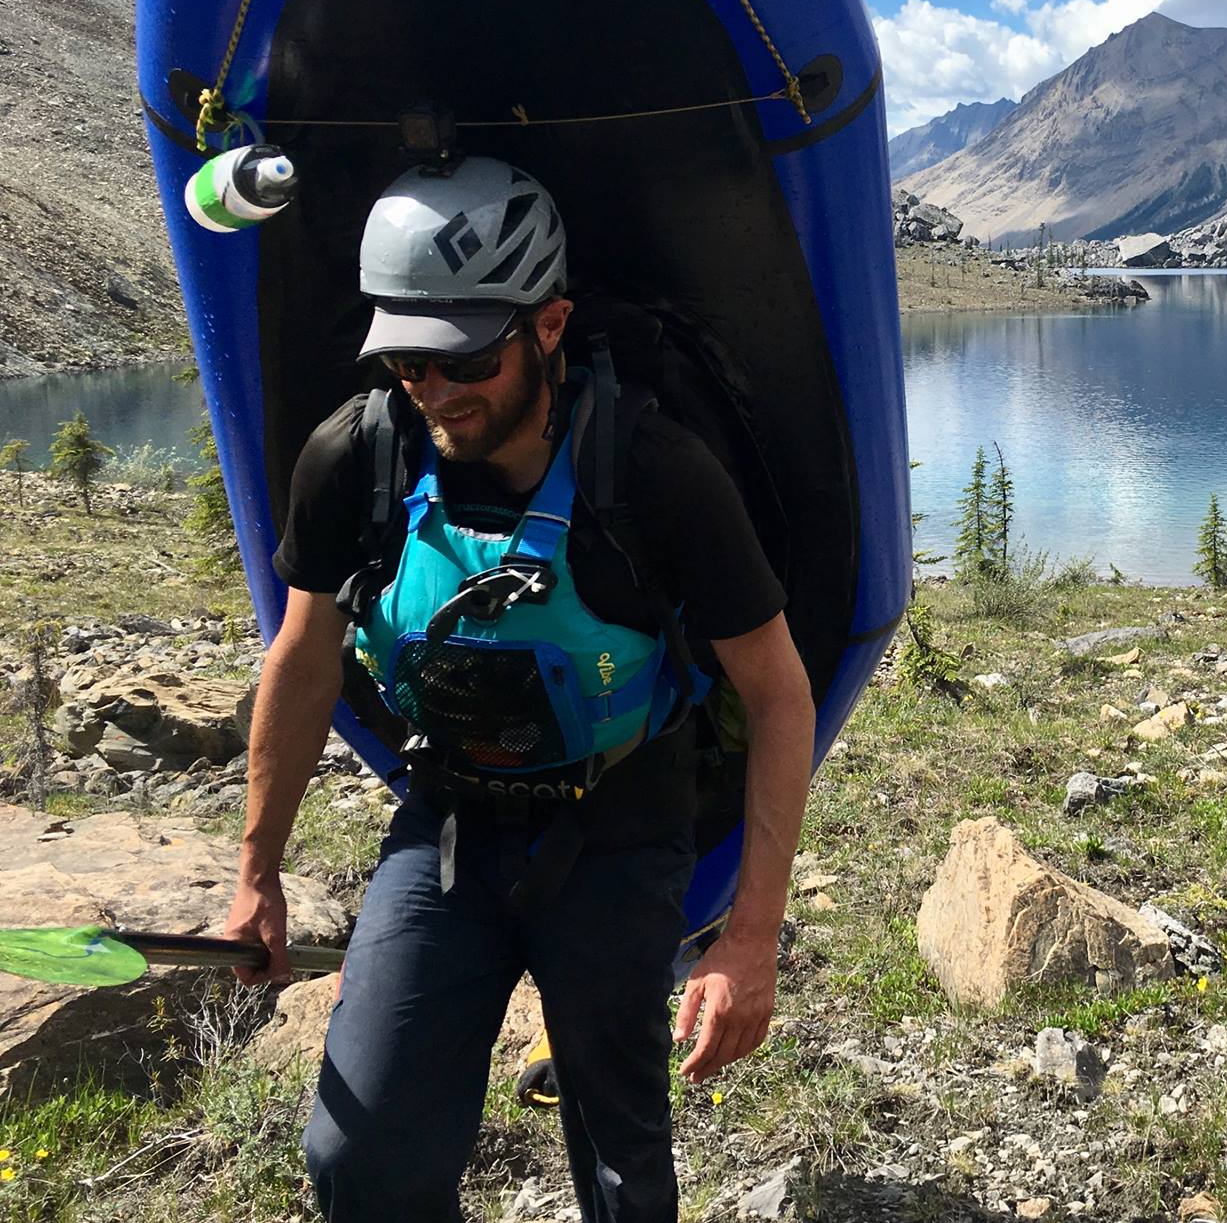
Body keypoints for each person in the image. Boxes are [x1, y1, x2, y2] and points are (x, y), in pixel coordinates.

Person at [224, 156, 814, 1223]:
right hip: (446, 825)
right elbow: (304, 656)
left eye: (469, 360)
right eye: (409, 362)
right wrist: (256, 870)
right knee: (356, 1154)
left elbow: (776, 694)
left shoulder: (655, 472)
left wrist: (748, 938)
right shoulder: (352, 458)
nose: (438, 391)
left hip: (623, 831)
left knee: (621, 1166)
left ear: (548, 325)